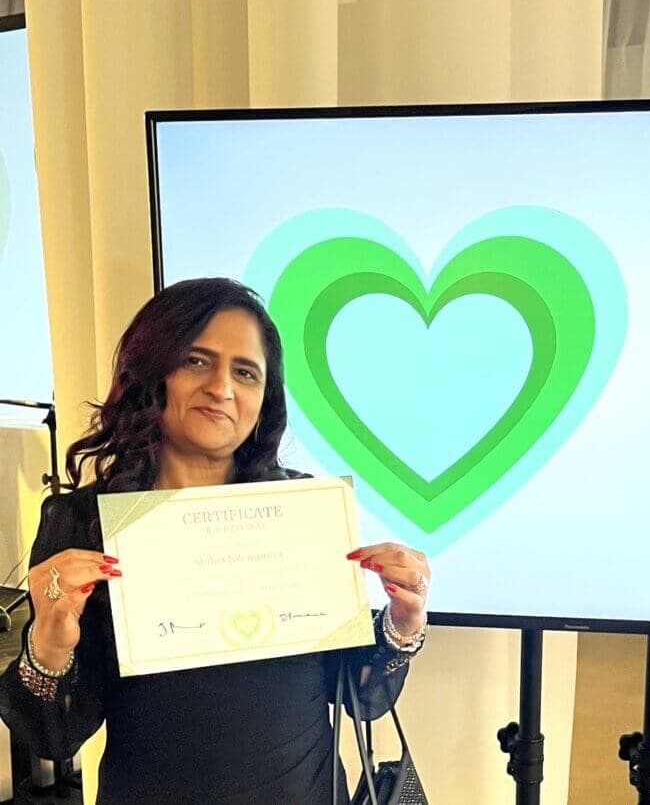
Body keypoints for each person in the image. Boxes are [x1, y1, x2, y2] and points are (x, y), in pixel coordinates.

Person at [0, 278, 431, 803]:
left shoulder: (302, 512)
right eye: (196, 361)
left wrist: (400, 626)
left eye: (245, 372)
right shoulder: (83, 522)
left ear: (263, 399)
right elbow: (53, 735)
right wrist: (49, 644)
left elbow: (358, 697)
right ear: (152, 372)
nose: (222, 388)